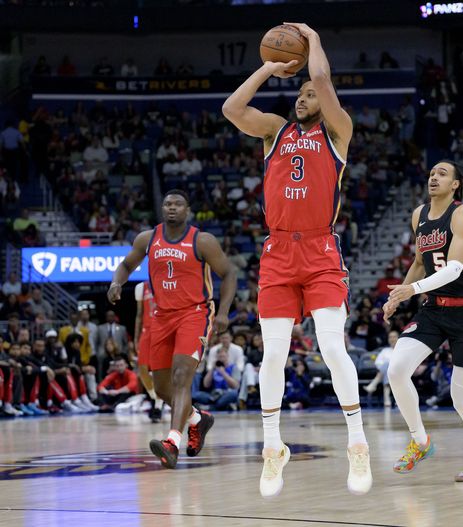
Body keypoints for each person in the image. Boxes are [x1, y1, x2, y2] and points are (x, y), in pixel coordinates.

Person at [222, 22, 370, 497]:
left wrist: (315, 43)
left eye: (311, 93)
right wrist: (268, 67)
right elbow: (231, 109)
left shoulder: (338, 133)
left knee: (330, 347)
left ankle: (357, 442)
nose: (304, 97)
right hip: (279, 252)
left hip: (322, 250)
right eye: (301, 93)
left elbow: (325, 83)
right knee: (275, 353)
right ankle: (272, 449)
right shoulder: (274, 131)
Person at [107, 188, 237, 469]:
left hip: (194, 314)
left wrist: (224, 312)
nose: (172, 208)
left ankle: (172, 442)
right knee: (163, 390)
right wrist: (117, 282)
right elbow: (126, 265)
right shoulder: (148, 238)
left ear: (187, 210)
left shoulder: (202, 241)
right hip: (162, 317)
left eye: (178, 204)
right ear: (162, 208)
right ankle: (197, 420)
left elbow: (229, 274)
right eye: (167, 204)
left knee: (181, 377)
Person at [383, 160, 463, 482]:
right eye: (432, 173)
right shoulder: (419, 215)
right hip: (434, 309)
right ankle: (420, 441)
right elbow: (420, 262)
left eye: (442, 174)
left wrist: (411, 290)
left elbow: (455, 268)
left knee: (461, 396)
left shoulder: (462, 214)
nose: (434, 177)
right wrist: (397, 296)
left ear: (455, 184)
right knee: (397, 369)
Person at [135, 280, 163, 423]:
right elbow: (139, 314)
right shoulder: (141, 287)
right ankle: (155, 398)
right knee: (142, 369)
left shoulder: (167, 283)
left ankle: (158, 406)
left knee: (159, 370)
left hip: (163, 329)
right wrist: (136, 338)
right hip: (146, 331)